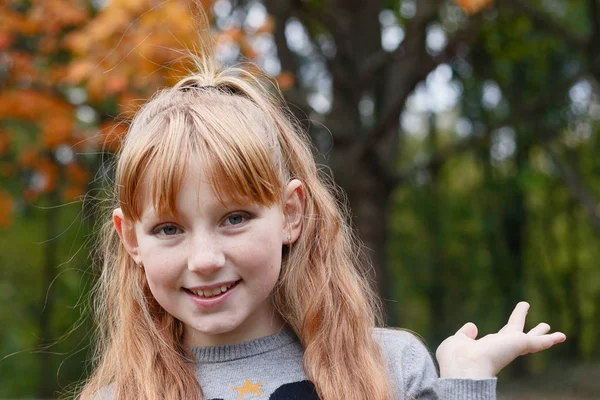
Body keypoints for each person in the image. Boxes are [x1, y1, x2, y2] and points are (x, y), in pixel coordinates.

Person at [78, 50, 565, 400]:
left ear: (291, 214)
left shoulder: (389, 371)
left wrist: (465, 384)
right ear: (131, 239)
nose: (205, 259)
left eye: (235, 218)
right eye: (169, 229)